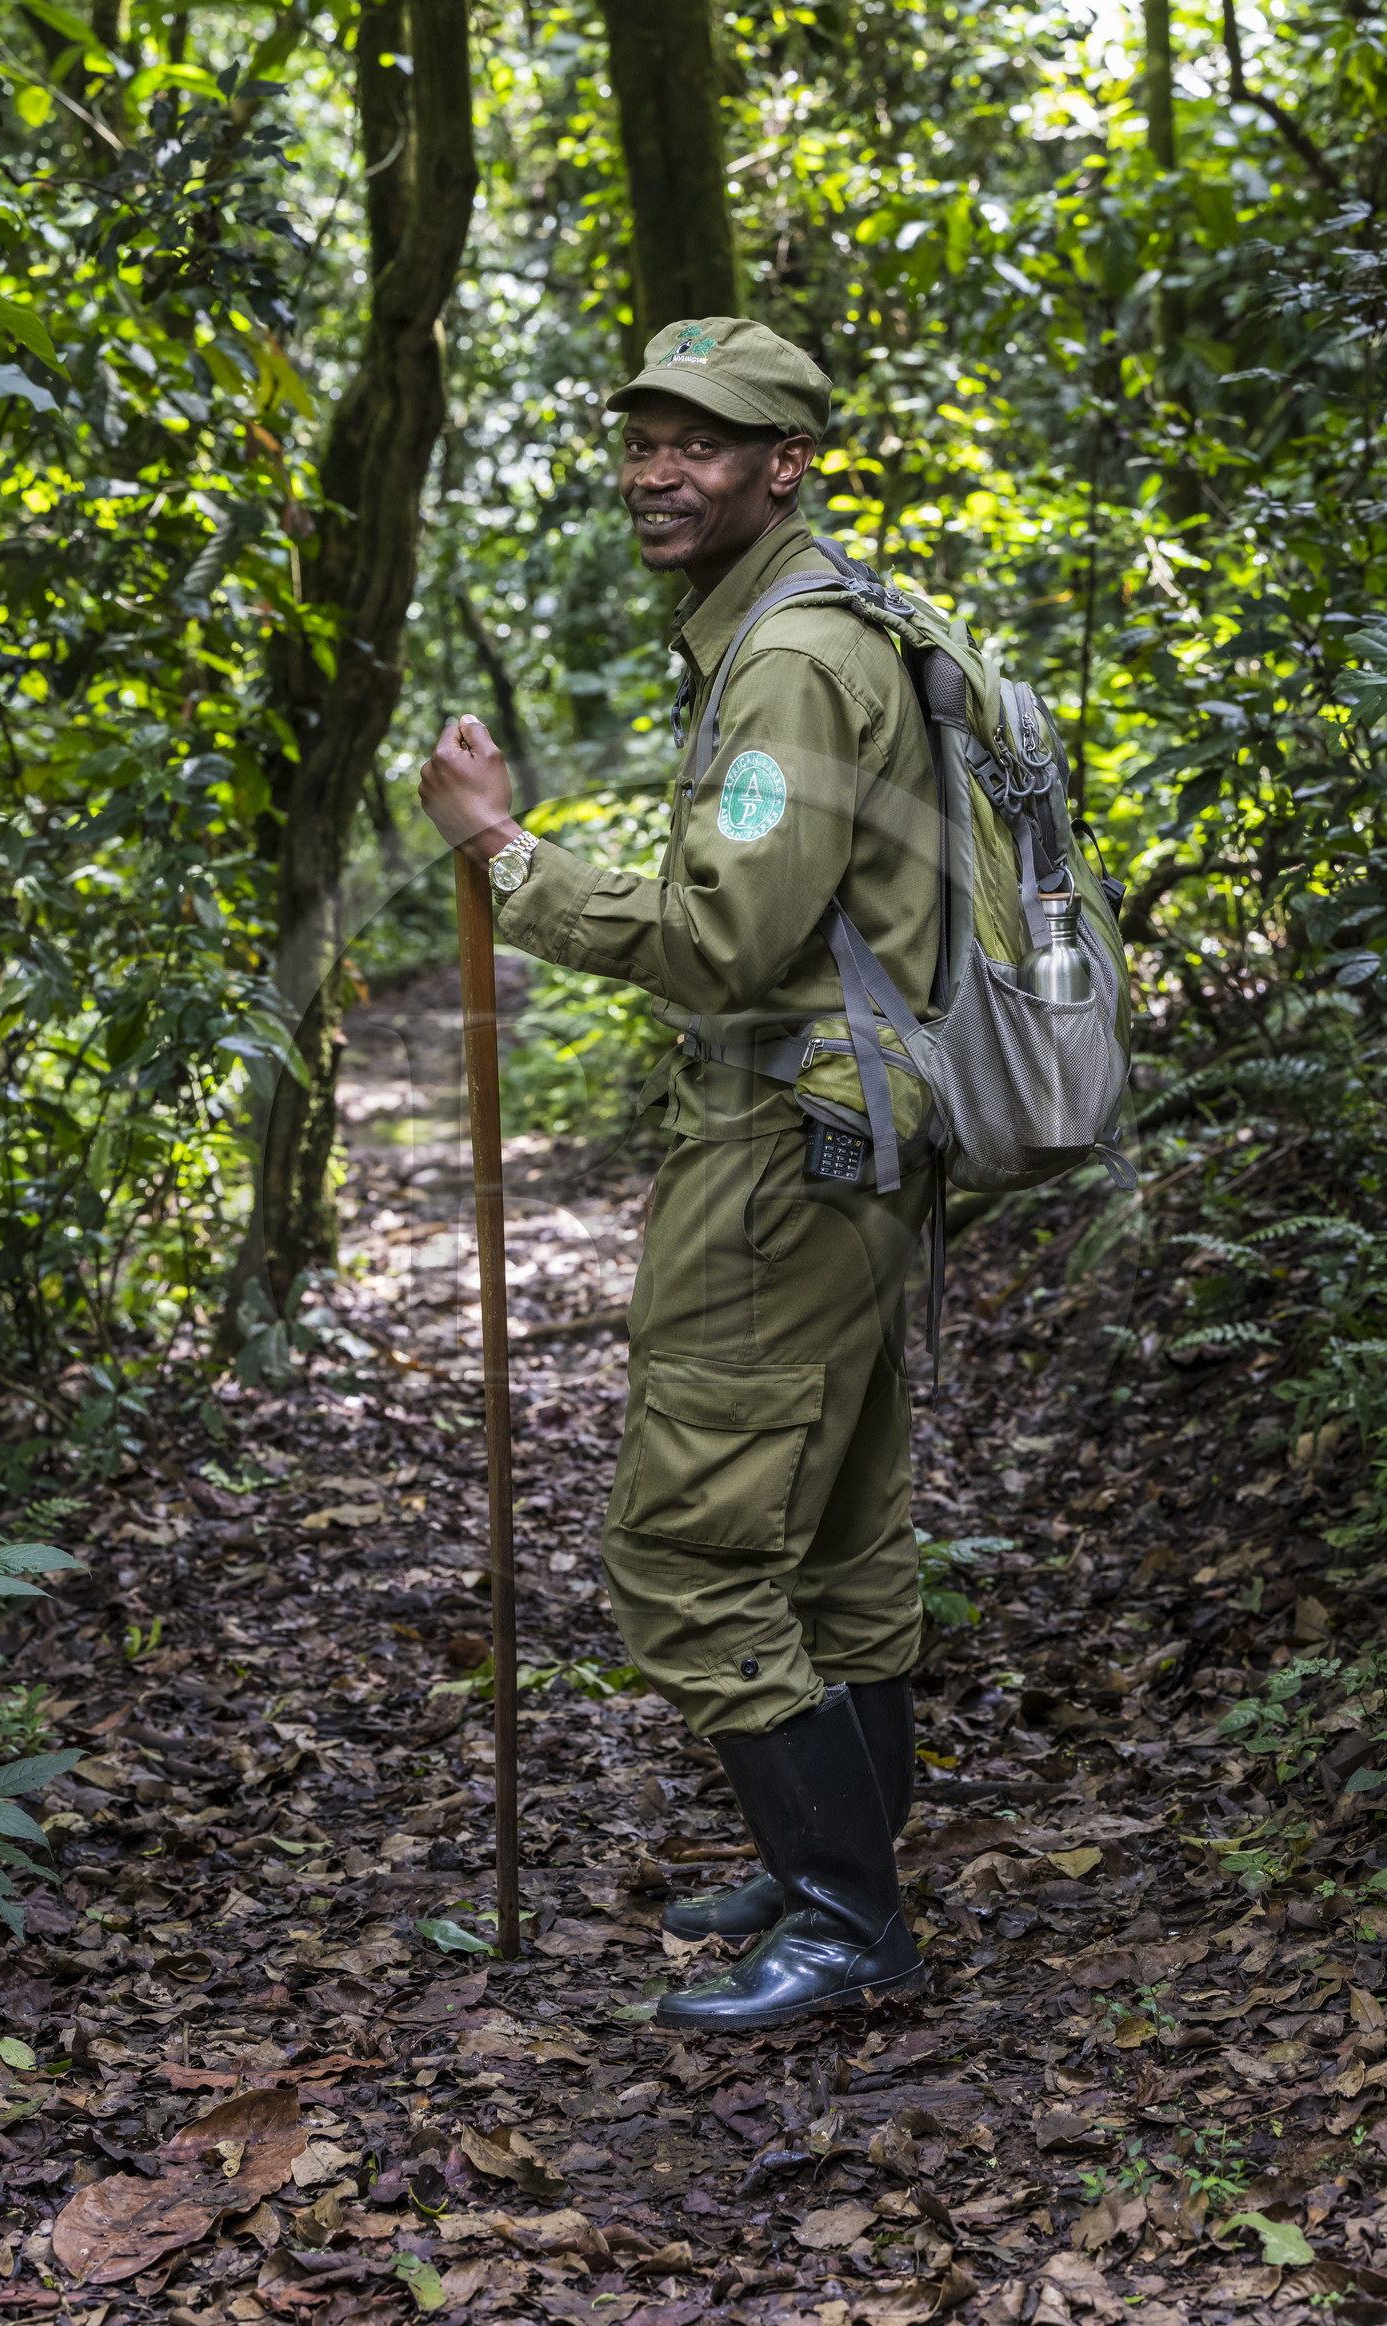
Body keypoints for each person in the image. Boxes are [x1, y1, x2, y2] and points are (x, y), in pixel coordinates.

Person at [418, 315, 940, 2032]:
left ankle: (849, 1921)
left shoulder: (791, 657)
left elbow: (725, 945)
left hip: (790, 1142)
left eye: (700, 444)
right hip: (857, 1127)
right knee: (839, 1518)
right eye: (642, 438)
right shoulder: (820, 616)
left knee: (689, 1546)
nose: (657, 471)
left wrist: (505, 854)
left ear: (783, 465)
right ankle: (835, 1861)